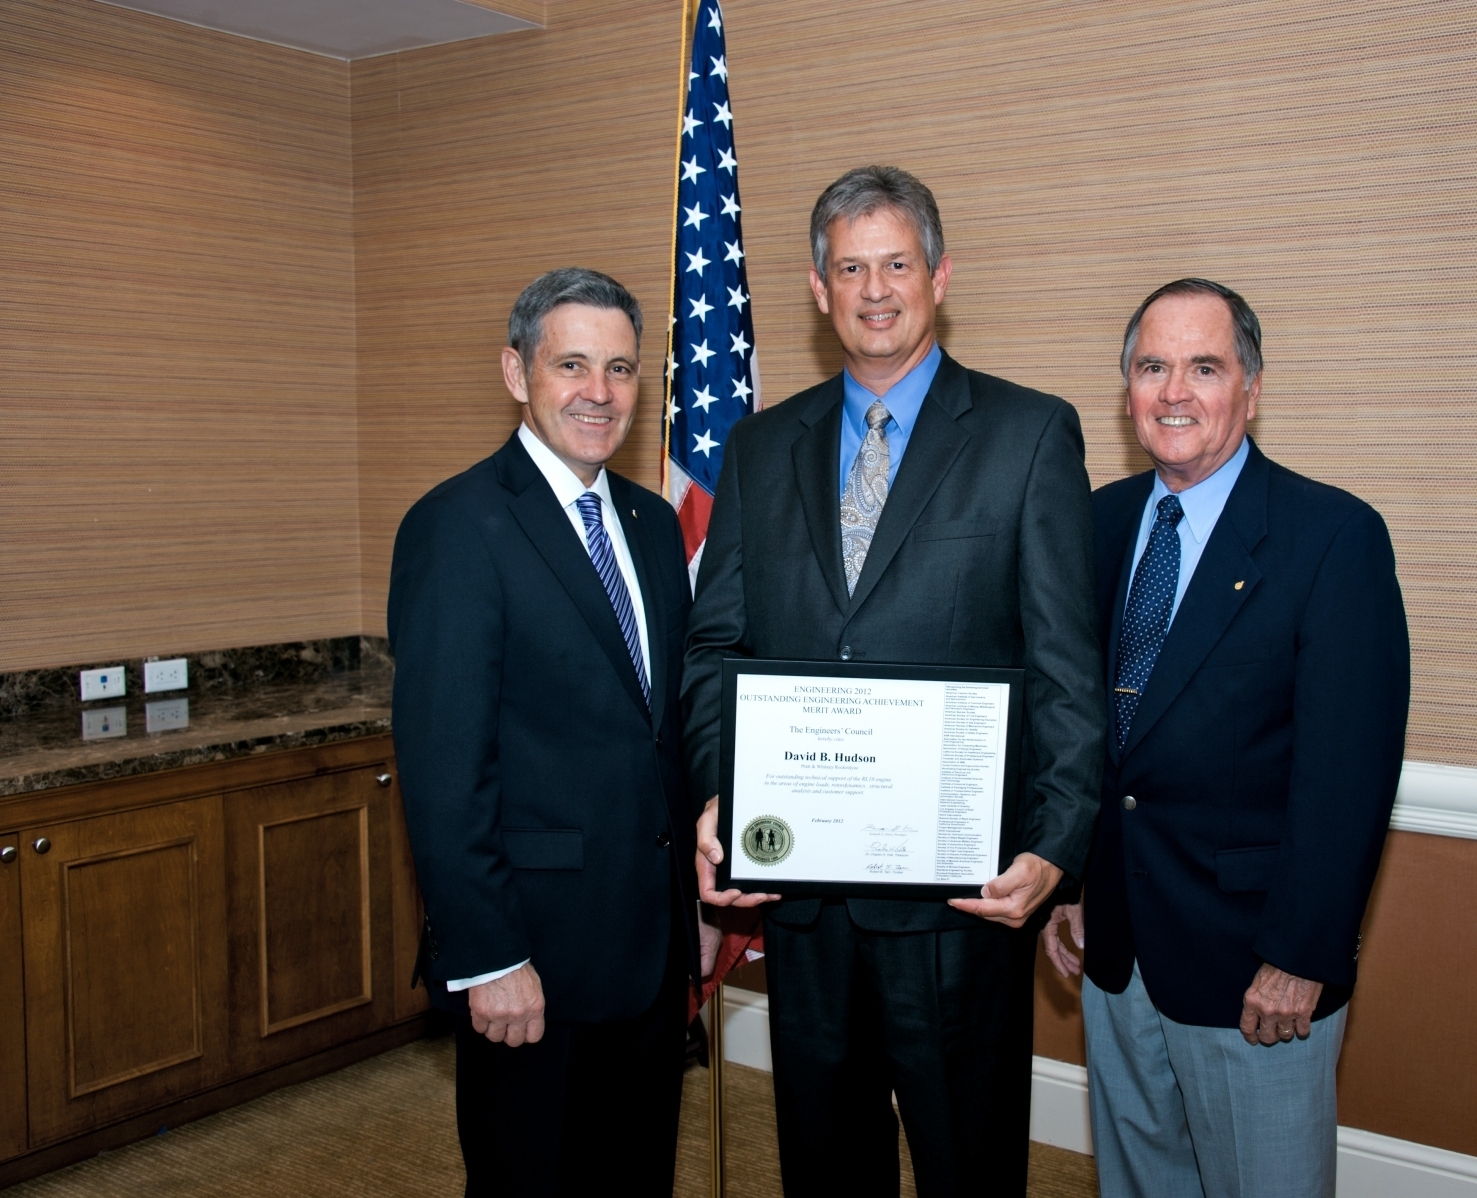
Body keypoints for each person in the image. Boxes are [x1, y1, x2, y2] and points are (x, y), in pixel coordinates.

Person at [681, 166, 1105, 1197]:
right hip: (806, 899)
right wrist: (714, 792)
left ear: (940, 275)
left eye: (897, 263)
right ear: (819, 290)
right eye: (850, 267)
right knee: (826, 1168)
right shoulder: (758, 444)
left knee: (970, 1166)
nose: (876, 288)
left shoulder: (1028, 433)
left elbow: (1064, 663)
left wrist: (1057, 844)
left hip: (963, 904)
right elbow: (715, 651)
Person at [1043, 279, 1410, 1198]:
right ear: (1126, 387)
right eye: (1152, 366)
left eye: (1204, 367)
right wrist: (1074, 879)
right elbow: (1087, 727)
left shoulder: (1333, 537)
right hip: (1117, 952)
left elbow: (1349, 771)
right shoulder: (1095, 523)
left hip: (1257, 971)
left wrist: (1302, 953)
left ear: (1250, 387)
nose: (1175, 392)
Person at [389, 268, 699, 1196]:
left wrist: (697, 908)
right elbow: (444, 769)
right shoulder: (457, 525)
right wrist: (488, 956)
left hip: (646, 950)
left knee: (633, 1176)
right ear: (517, 373)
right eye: (572, 365)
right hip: (531, 958)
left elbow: (662, 732)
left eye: (621, 369)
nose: (599, 393)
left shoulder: (649, 526)